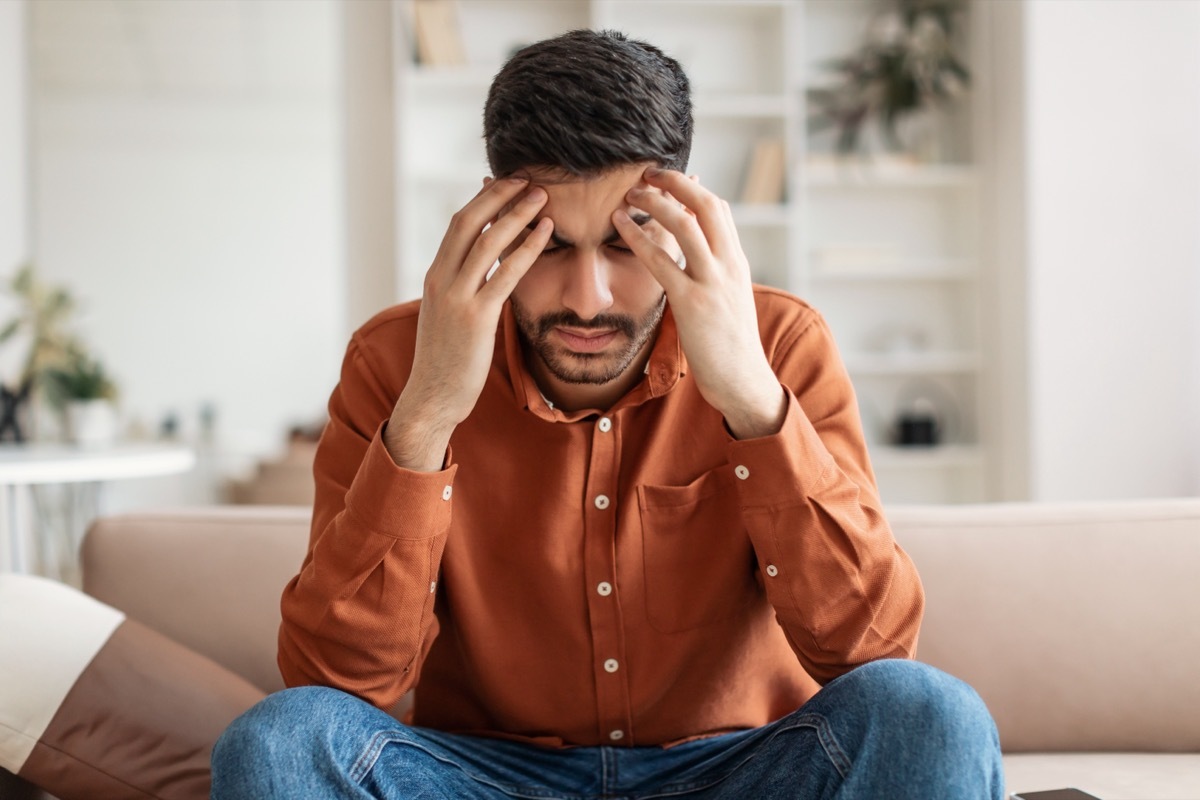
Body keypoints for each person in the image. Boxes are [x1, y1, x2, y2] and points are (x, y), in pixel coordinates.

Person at [212, 29, 1002, 799]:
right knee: (280, 738)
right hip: (483, 775)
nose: (587, 299)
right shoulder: (393, 363)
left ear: (688, 223)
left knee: (931, 713)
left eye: (627, 244)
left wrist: (753, 405)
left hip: (738, 770)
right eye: (550, 246)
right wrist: (426, 418)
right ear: (490, 227)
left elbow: (872, 650)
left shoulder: (782, 344)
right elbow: (340, 685)